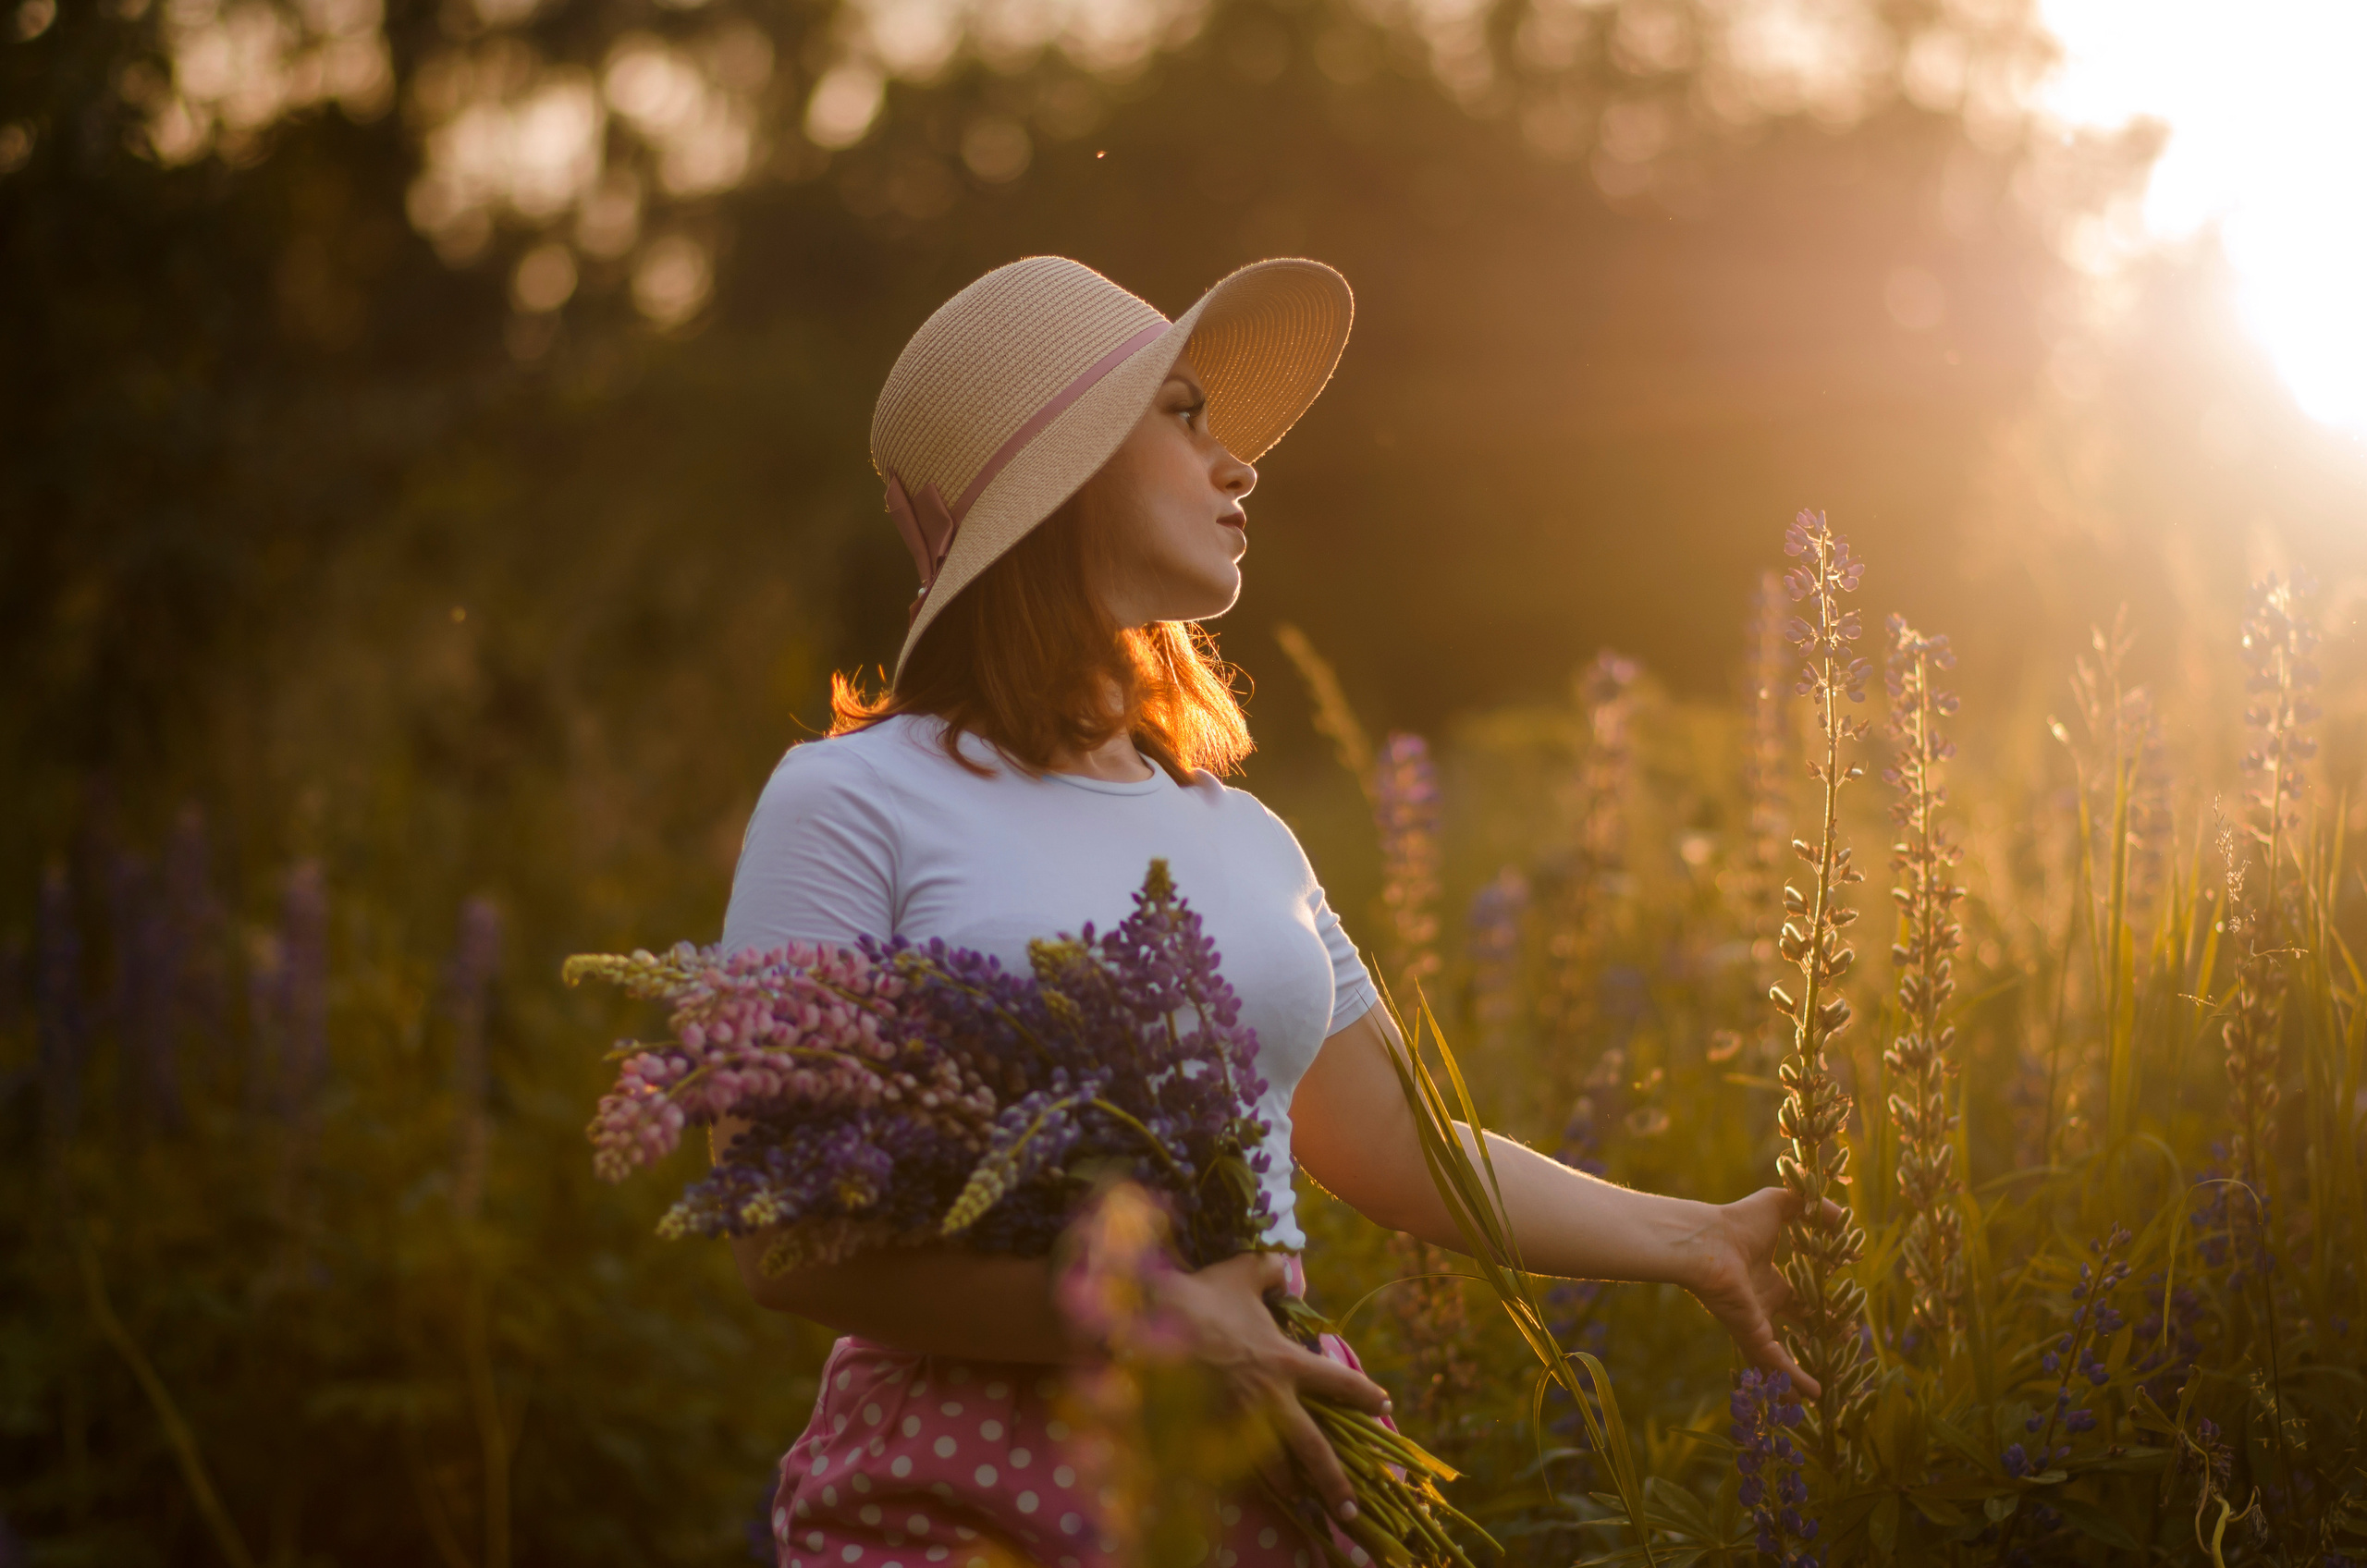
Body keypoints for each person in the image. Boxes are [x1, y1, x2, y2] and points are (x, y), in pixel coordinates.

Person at [717, 255, 1816, 1568]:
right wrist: (1152, 1318)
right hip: (963, 1498)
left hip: (1258, 1479)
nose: (1239, 466)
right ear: (1053, 474)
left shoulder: (1242, 836)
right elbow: (787, 1240)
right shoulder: (851, 804)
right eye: (1183, 415)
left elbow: (1402, 1145)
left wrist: (1695, 1237)